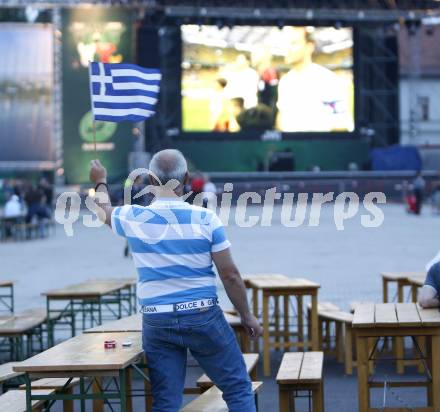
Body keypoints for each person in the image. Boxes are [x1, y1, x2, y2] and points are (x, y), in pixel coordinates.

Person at [89, 149, 262, 412]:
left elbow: (102, 211)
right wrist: (247, 315)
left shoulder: (133, 217)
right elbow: (230, 275)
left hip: (157, 319)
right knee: (237, 388)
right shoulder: (206, 219)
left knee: (166, 402)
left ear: (149, 179)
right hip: (202, 315)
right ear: (187, 178)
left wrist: (99, 180)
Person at [277, 27, 353, 132]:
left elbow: (341, 125)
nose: (287, 49)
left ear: (309, 47)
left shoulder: (326, 80)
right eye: (285, 44)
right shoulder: (285, 81)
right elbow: (281, 120)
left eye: (293, 43)